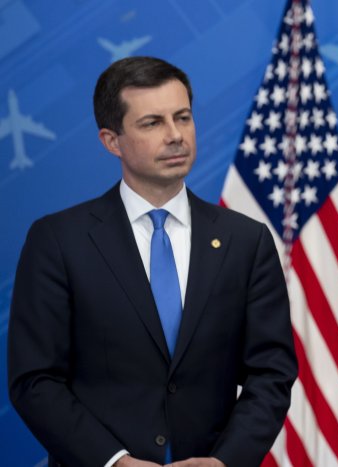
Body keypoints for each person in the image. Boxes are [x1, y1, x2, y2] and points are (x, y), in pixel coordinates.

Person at [8, 57, 297, 467]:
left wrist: (223, 463)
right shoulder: (58, 241)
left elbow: (271, 372)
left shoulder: (246, 241)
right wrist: (115, 461)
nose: (176, 136)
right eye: (152, 123)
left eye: (183, 117)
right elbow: (35, 380)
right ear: (112, 141)